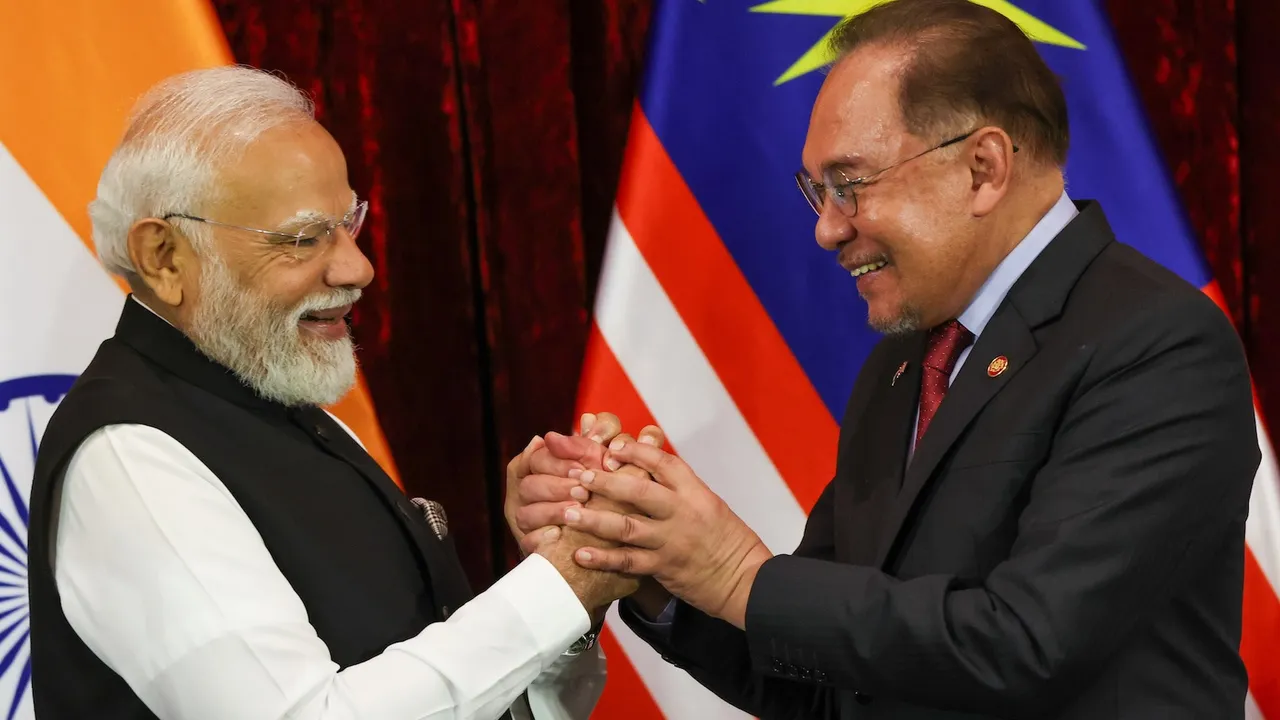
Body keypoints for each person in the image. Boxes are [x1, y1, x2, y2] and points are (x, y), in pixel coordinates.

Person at [510, 0, 1261, 717]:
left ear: (983, 168)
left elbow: (1028, 643)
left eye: (850, 185)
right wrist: (649, 557)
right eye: (818, 192)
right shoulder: (905, 366)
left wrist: (740, 575)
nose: (827, 231)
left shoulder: (1160, 342)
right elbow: (827, 683)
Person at [28, 65, 641, 720]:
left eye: (349, 223)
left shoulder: (279, 402)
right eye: (302, 238)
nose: (358, 267)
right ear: (165, 258)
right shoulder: (130, 458)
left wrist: (573, 566)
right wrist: (558, 589)